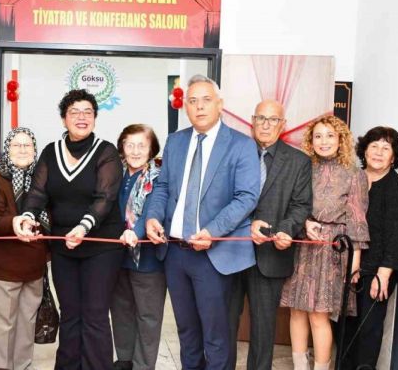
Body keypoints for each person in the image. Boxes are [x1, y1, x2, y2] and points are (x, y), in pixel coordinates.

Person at [145, 74, 261, 370]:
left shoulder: (241, 145)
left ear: (220, 104)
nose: (199, 107)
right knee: (187, 334)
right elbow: (162, 186)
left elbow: (246, 197)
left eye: (206, 100)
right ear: (185, 107)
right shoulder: (176, 141)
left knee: (217, 337)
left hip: (215, 254)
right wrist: (153, 216)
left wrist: (213, 231)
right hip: (175, 253)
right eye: (193, 101)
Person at [14, 89, 125, 369]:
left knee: (95, 314)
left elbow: (105, 197)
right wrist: (27, 215)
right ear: (64, 118)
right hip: (63, 245)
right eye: (74, 112)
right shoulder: (51, 152)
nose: (81, 117)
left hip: (101, 245)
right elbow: (37, 193)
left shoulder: (106, 151)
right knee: (70, 313)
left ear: (95, 118)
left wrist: (84, 227)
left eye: (88, 112)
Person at [228, 100, 313, 370]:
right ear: (252, 121)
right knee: (225, 322)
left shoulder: (299, 161)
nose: (266, 124)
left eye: (273, 119)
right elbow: (221, 199)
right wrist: (246, 225)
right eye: (261, 118)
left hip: (271, 254)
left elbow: (301, 206)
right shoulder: (234, 154)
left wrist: (284, 230)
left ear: (283, 124)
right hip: (230, 252)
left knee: (263, 328)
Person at [280, 115, 369, 370]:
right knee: (296, 310)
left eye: (330, 135)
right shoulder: (303, 168)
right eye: (318, 136)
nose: (324, 141)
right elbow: (292, 205)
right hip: (302, 245)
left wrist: (355, 262)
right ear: (311, 141)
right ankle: (300, 367)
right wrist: (304, 223)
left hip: (333, 250)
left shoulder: (354, 174)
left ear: (341, 139)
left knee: (319, 315)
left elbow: (357, 220)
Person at [336, 126, 398, 369]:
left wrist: (383, 274)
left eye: (385, 148)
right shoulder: (352, 178)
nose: (378, 152)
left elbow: (397, 236)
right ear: (364, 151)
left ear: (393, 157)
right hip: (346, 266)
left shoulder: (395, 187)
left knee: (369, 330)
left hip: (376, 271)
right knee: (343, 328)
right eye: (374, 146)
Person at [0, 127, 48, 370]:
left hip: (34, 269)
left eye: (27, 145)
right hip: (1, 269)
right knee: (1, 330)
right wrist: (15, 222)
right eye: (16, 145)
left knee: (26, 327)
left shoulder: (42, 178)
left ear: (34, 150)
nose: (22, 149)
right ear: (6, 149)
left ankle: (23, 367)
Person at [110, 124, 166, 370]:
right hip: (116, 256)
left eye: (141, 146)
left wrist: (136, 232)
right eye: (129, 145)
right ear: (122, 147)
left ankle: (143, 365)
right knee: (121, 311)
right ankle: (124, 360)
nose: (135, 151)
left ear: (152, 149)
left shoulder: (159, 177)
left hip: (148, 259)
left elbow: (153, 210)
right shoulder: (115, 174)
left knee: (148, 316)